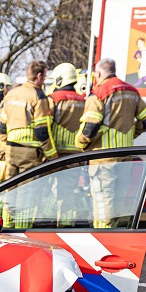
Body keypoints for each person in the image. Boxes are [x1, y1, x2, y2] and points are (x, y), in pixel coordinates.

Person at [75, 58, 146, 227]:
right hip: (125, 156)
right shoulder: (131, 91)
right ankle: (119, 235)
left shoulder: (100, 93)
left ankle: (103, 237)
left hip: (104, 157)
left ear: (98, 73)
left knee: (104, 199)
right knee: (120, 200)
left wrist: (80, 145)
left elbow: (90, 126)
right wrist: (132, 133)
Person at [0, 61, 56, 181]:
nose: (44, 80)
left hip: (11, 150)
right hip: (29, 152)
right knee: (26, 191)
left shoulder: (11, 94)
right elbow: (41, 130)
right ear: (39, 76)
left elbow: (2, 125)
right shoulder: (38, 95)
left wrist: (3, 148)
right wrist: (52, 156)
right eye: (44, 76)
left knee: (10, 189)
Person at [47, 63, 88, 226]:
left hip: (54, 153)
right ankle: (65, 225)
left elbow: (45, 125)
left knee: (45, 189)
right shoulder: (83, 100)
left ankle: (44, 222)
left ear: (59, 79)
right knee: (68, 191)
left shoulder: (53, 99)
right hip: (75, 154)